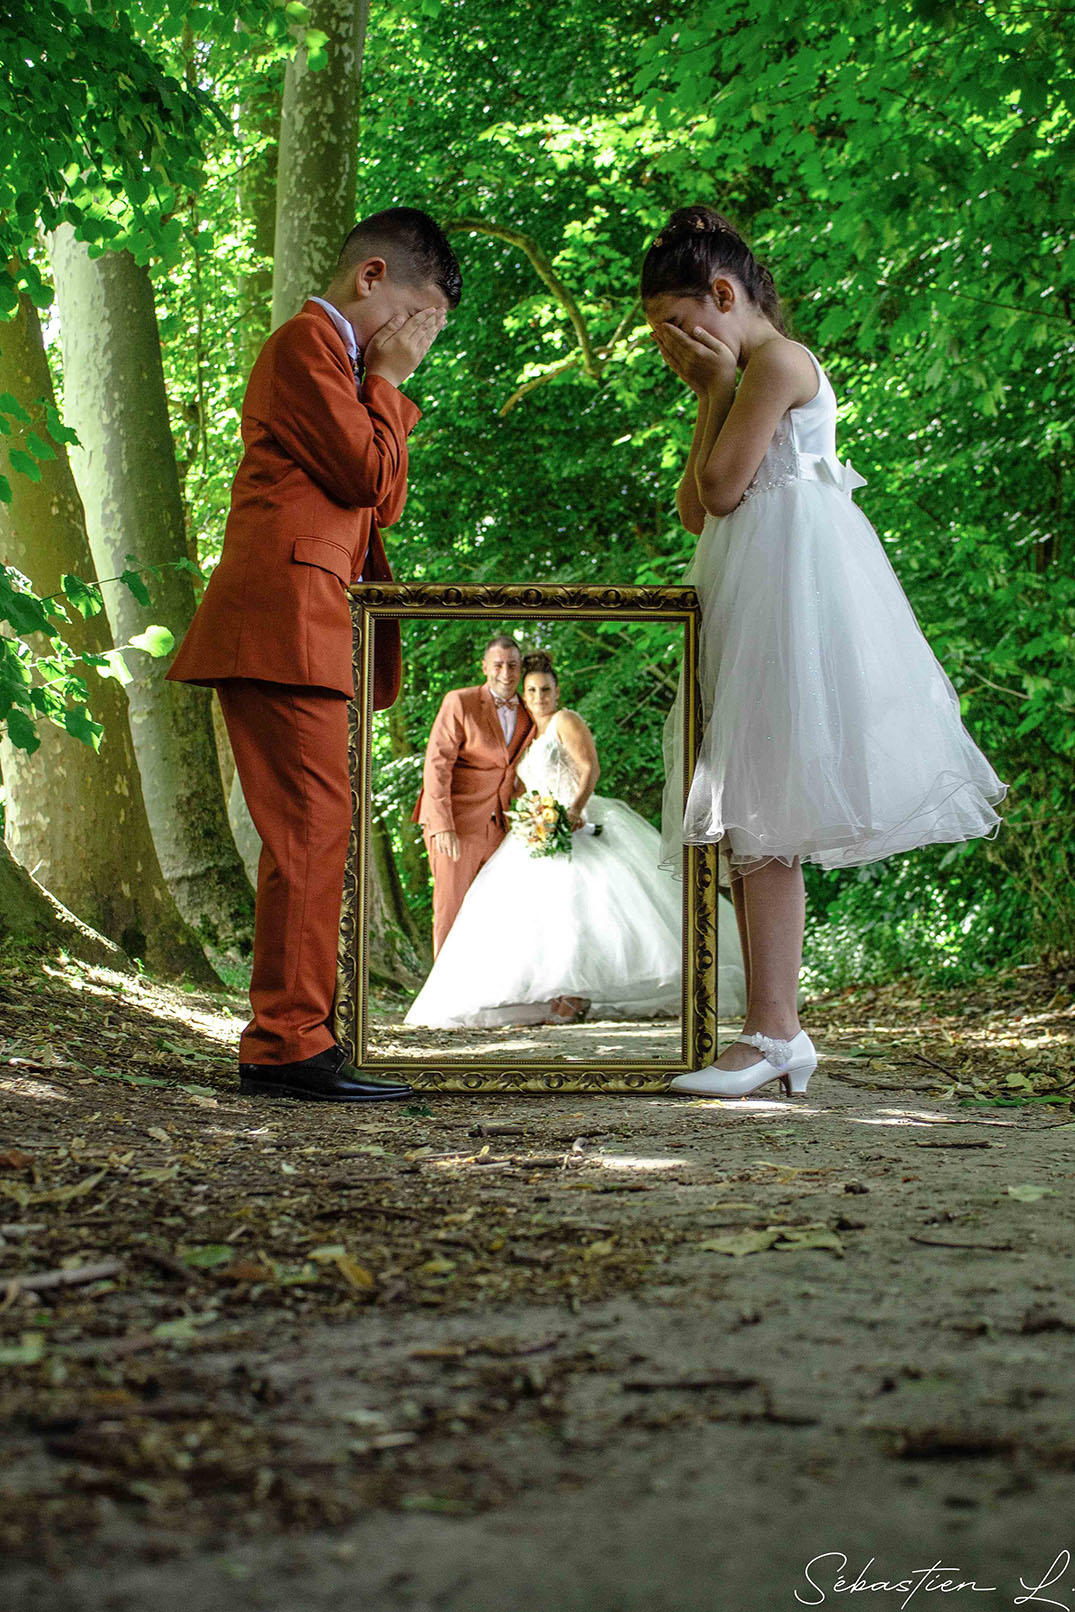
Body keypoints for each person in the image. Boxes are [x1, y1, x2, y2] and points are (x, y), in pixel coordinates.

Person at [643, 204, 1007, 1100]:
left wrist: (711, 393)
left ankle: (774, 1031)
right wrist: (709, 400)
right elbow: (696, 510)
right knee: (749, 818)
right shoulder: (739, 374)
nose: (670, 352)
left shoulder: (777, 364)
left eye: (673, 328)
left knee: (761, 812)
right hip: (746, 583)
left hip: (789, 594)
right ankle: (776, 1032)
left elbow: (724, 488)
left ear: (722, 296)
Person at [166, 207, 461, 1102]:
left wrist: (383, 382)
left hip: (310, 624)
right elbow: (370, 475)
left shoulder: (344, 365)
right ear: (371, 278)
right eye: (415, 319)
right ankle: (288, 1046)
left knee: (315, 833)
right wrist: (394, 375)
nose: (411, 342)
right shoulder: (302, 347)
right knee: (307, 833)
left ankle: (294, 1037)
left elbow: (386, 495)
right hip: (283, 621)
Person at [404, 653, 747, 1029]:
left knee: (591, 905)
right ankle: (553, 994)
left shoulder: (566, 720)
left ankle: (577, 994)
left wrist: (574, 809)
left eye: (545, 689)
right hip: (538, 830)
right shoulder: (528, 731)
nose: (538, 696)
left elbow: (589, 767)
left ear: (557, 690)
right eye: (531, 689)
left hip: (576, 820)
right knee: (538, 916)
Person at [412, 634, 534, 954]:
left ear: (521, 669)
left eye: (512, 665)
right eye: (498, 665)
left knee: (494, 911)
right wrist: (442, 825)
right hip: (456, 823)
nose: (505, 672)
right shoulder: (460, 701)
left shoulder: (530, 711)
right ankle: (444, 998)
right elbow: (437, 764)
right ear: (484, 667)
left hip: (502, 827)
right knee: (450, 910)